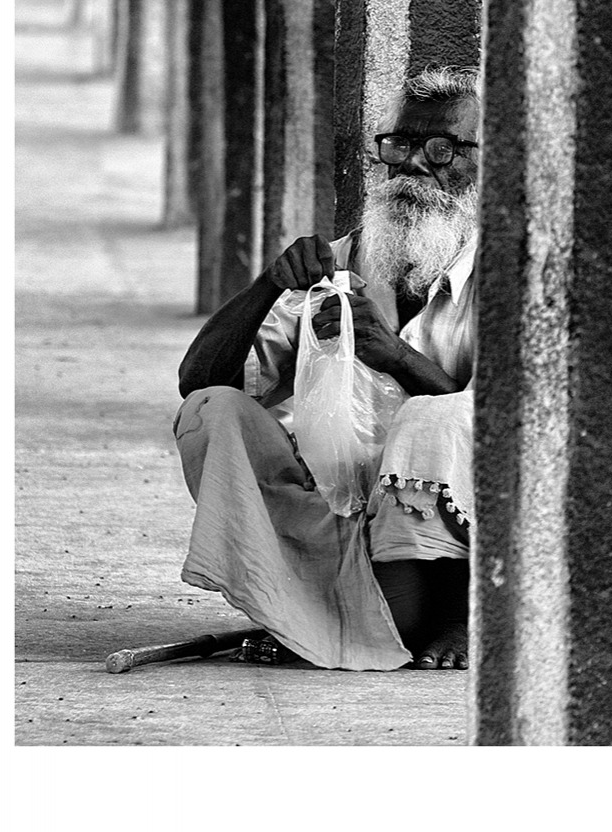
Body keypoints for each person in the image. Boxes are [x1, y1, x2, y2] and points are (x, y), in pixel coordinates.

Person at [174, 65, 480, 670]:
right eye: (401, 145)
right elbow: (200, 380)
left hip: (450, 548)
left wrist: (395, 356)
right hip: (343, 520)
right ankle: (301, 601)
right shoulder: (340, 263)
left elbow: (507, 425)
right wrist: (267, 284)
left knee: (436, 417)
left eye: (443, 149)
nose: (414, 164)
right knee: (215, 412)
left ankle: (462, 612)